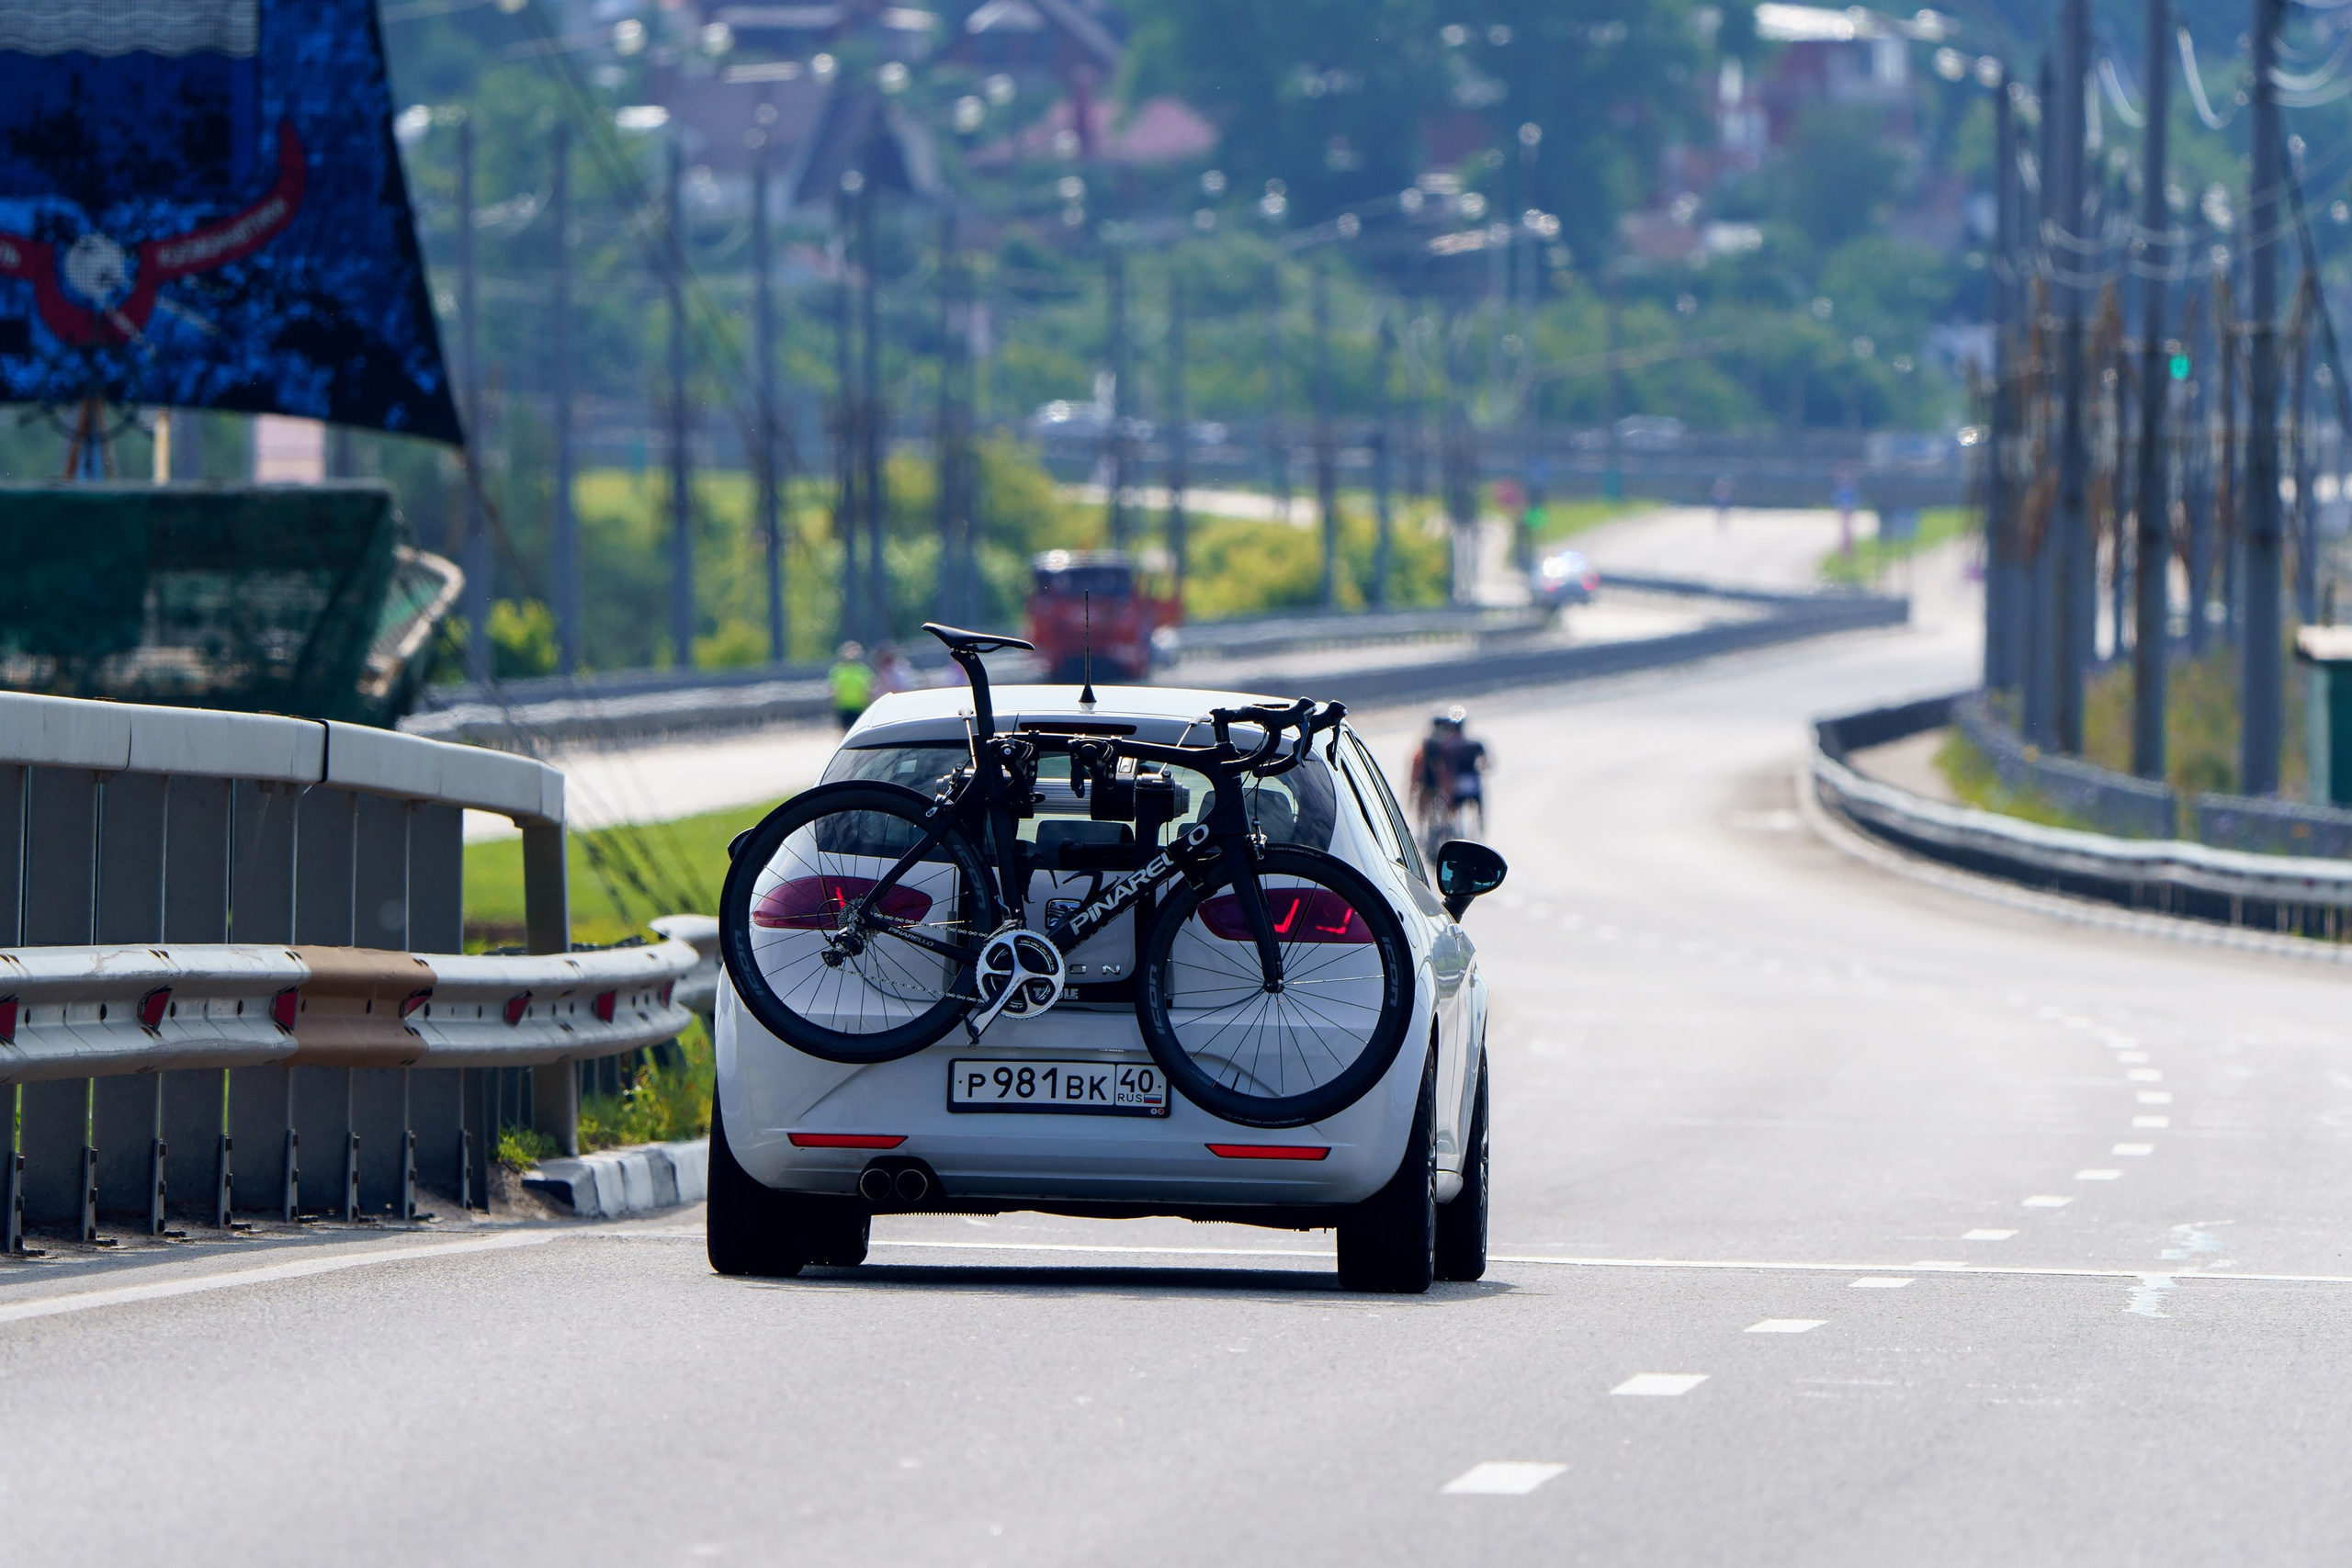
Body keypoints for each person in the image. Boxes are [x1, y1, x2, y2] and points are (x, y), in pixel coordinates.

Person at [829, 641, 874, 731]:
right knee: (845, 732)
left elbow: (869, 689)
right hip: (844, 707)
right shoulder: (838, 671)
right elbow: (833, 689)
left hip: (859, 707)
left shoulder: (863, 671)